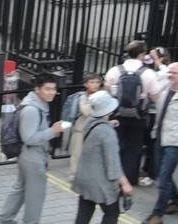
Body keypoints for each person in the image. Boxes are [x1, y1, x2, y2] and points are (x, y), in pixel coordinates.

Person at [0, 72, 63, 224]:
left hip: (28, 155)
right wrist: (52, 131)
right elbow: (29, 138)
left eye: (54, 89)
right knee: (36, 196)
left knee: (20, 188)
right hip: (33, 157)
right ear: (37, 89)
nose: (52, 92)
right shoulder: (32, 110)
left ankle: (3, 219)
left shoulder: (37, 104)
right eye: (47, 89)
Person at [71, 90, 133, 224]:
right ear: (109, 110)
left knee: (84, 213)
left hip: (84, 179)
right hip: (100, 183)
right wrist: (125, 183)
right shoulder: (107, 133)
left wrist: (109, 125)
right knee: (112, 213)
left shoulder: (90, 123)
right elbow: (113, 163)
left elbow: (97, 133)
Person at [104, 40, 160, 186]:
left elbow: (108, 90)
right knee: (133, 149)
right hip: (139, 116)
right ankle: (129, 181)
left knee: (117, 146)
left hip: (117, 115)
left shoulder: (115, 70)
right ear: (142, 54)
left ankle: (113, 178)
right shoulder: (148, 73)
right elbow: (155, 97)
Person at [142, 62, 178, 224]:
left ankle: (157, 214)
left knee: (163, 178)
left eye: (174, 73)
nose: (170, 75)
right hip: (160, 137)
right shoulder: (166, 90)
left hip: (174, 142)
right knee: (163, 174)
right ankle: (175, 201)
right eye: (169, 72)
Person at [66, 73, 103, 178]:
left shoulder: (102, 95)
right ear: (86, 84)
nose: (95, 85)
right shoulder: (82, 97)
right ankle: (74, 174)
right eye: (92, 82)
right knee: (77, 153)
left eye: (97, 82)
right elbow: (86, 111)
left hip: (95, 129)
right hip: (81, 129)